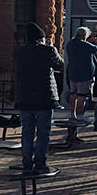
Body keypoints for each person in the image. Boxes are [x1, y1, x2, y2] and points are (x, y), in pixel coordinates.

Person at [12, 23, 64, 176]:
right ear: (41, 38)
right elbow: (60, 64)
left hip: (24, 98)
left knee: (27, 132)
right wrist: (52, 47)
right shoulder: (48, 50)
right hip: (44, 97)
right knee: (43, 132)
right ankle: (40, 163)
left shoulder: (19, 52)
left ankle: (27, 163)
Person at [64, 27, 97, 119]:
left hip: (72, 73)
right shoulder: (85, 45)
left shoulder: (70, 44)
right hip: (85, 74)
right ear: (85, 36)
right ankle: (80, 115)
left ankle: (72, 114)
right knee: (82, 96)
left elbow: (82, 46)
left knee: (73, 94)